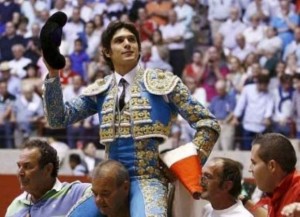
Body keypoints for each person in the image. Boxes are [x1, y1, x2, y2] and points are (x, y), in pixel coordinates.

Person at [42, 20, 220, 216]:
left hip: (148, 179)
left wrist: (185, 164)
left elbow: (208, 123)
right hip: (107, 181)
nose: (127, 43)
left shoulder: (163, 83)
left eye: (132, 39)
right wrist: (53, 73)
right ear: (107, 52)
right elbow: (57, 118)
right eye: (119, 40)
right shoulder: (100, 90)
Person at [5, 139, 90, 217]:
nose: (20, 173)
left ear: (48, 169)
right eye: (19, 166)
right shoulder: (15, 207)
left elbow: (101, 188)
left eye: (27, 166)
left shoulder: (76, 194)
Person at [246, 133, 300, 217]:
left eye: (254, 163)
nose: (250, 169)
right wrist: (244, 201)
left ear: (272, 166)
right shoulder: (275, 191)